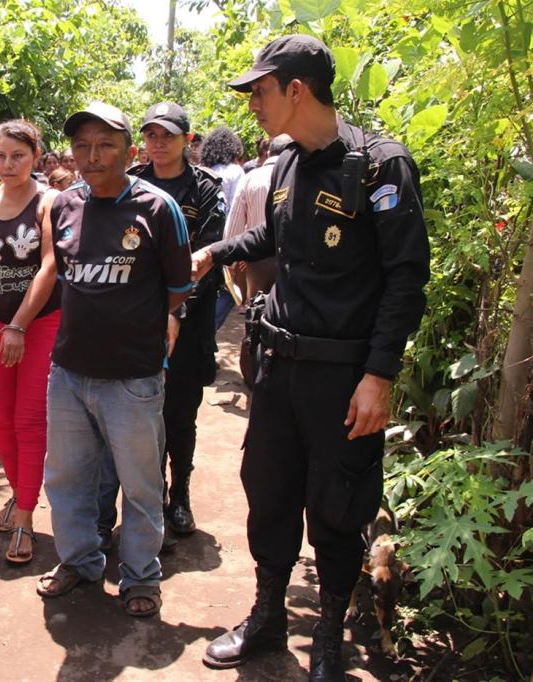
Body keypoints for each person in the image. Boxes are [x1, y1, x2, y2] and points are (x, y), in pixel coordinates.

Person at [193, 35, 429, 679]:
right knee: (267, 491)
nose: (253, 107)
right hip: (278, 367)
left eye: (261, 92)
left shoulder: (380, 166)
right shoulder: (290, 163)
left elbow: (407, 277)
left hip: (343, 375)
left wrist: (379, 376)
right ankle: (268, 616)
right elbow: (277, 232)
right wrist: (219, 251)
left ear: (297, 90)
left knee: (338, 503)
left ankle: (328, 635)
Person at [36, 102, 194, 618]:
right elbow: (62, 277)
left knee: (141, 484)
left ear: (130, 152)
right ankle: (80, 561)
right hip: (69, 373)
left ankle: (141, 576)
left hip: (133, 378)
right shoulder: (62, 205)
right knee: (66, 478)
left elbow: (177, 288)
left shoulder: (157, 208)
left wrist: (138, 326)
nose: (92, 155)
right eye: (82, 145)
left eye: (105, 144)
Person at [96, 102, 226, 546]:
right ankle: (152, 495)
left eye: (167, 135)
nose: (158, 143)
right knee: (136, 413)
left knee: (181, 412)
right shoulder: (130, 185)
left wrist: (174, 304)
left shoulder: (207, 188)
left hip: (189, 321)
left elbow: (204, 256)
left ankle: (180, 494)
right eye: (151, 135)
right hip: (140, 322)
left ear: (188, 141)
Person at [0, 120, 61, 564]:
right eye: (0, 155)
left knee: (28, 419)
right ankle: (19, 493)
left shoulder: (49, 202)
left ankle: (24, 514)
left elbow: (49, 267)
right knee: (1, 418)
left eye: (18, 156)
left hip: (41, 323)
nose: (8, 164)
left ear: (36, 156)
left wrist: (20, 325)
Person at [224, 134, 293, 301]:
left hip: (257, 261)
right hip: (291, 258)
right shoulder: (298, 177)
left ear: (268, 153)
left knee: (256, 309)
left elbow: (234, 225)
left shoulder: (250, 178)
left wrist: (230, 262)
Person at [202, 126, 246, 329]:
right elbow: (238, 210)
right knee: (229, 291)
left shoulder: (205, 170)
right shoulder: (236, 173)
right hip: (226, 239)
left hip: (204, 240)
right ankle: (208, 332)